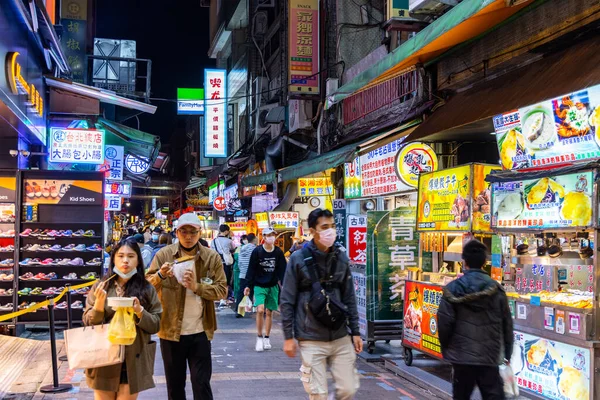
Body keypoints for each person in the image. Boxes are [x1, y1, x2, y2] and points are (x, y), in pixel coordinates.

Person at [280, 208, 362, 400]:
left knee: (348, 389)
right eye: (324, 227)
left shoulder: (341, 257)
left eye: (332, 226)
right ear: (312, 230)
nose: (330, 231)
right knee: (318, 394)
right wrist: (288, 337)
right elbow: (287, 299)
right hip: (310, 337)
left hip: (340, 336)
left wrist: (356, 331)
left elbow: (349, 296)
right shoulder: (298, 259)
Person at [146, 213, 227, 400]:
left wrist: (196, 287)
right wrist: (160, 275)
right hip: (170, 332)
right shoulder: (164, 255)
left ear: (200, 233)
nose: (188, 236)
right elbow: (146, 288)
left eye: (193, 232)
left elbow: (222, 290)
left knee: (202, 385)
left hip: (201, 331)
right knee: (175, 388)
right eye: (184, 231)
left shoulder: (210, 257)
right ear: (177, 232)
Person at [83, 238, 163, 400]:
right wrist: (98, 305)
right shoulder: (102, 286)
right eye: (120, 256)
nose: (125, 260)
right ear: (113, 259)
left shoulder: (147, 288)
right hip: (104, 358)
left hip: (134, 359)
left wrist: (140, 311)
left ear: (138, 261)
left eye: (131, 256)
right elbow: (88, 322)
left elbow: (156, 325)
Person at [438, 240, 513, 400]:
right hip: (489, 356)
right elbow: (507, 325)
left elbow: (444, 324)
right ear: (485, 262)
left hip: (461, 357)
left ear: (463, 262)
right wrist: (507, 353)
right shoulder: (496, 289)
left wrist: (447, 349)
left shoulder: (453, 289)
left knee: (461, 396)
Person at [245, 228, 286, 351]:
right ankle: (259, 337)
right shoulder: (257, 252)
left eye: (273, 235)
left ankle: (267, 337)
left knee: (269, 312)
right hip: (259, 285)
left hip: (273, 286)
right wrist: (248, 286)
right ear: (263, 237)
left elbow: (283, 270)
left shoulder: (278, 252)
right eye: (268, 235)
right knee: (260, 310)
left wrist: (285, 285)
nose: (271, 237)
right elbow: (251, 269)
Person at [235, 233, 257, 318]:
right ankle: (256, 308)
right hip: (252, 275)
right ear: (254, 239)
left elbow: (239, 262)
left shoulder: (241, 248)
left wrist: (243, 270)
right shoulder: (255, 249)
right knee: (255, 291)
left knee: (241, 292)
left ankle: (239, 311)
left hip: (243, 273)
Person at [212, 224, 236, 304]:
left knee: (217, 280)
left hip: (216, 263)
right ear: (226, 231)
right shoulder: (229, 241)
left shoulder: (214, 241)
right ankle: (224, 299)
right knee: (225, 281)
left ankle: (217, 297)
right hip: (226, 264)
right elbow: (233, 249)